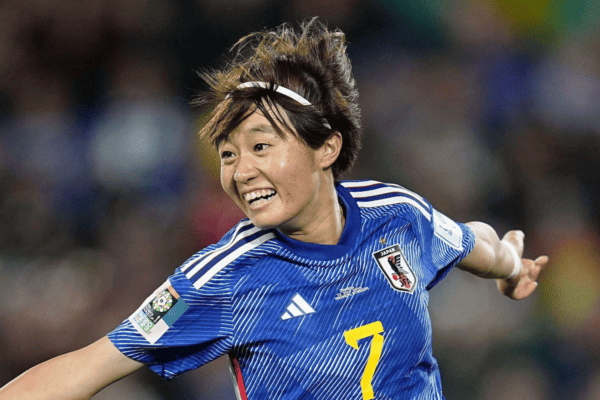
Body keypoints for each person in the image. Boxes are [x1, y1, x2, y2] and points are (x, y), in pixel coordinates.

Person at [0, 18, 547, 400]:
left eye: (262, 147)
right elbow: (84, 369)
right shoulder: (223, 277)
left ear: (326, 148)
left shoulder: (397, 215)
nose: (240, 172)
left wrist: (511, 267)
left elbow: (472, 242)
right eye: (229, 155)